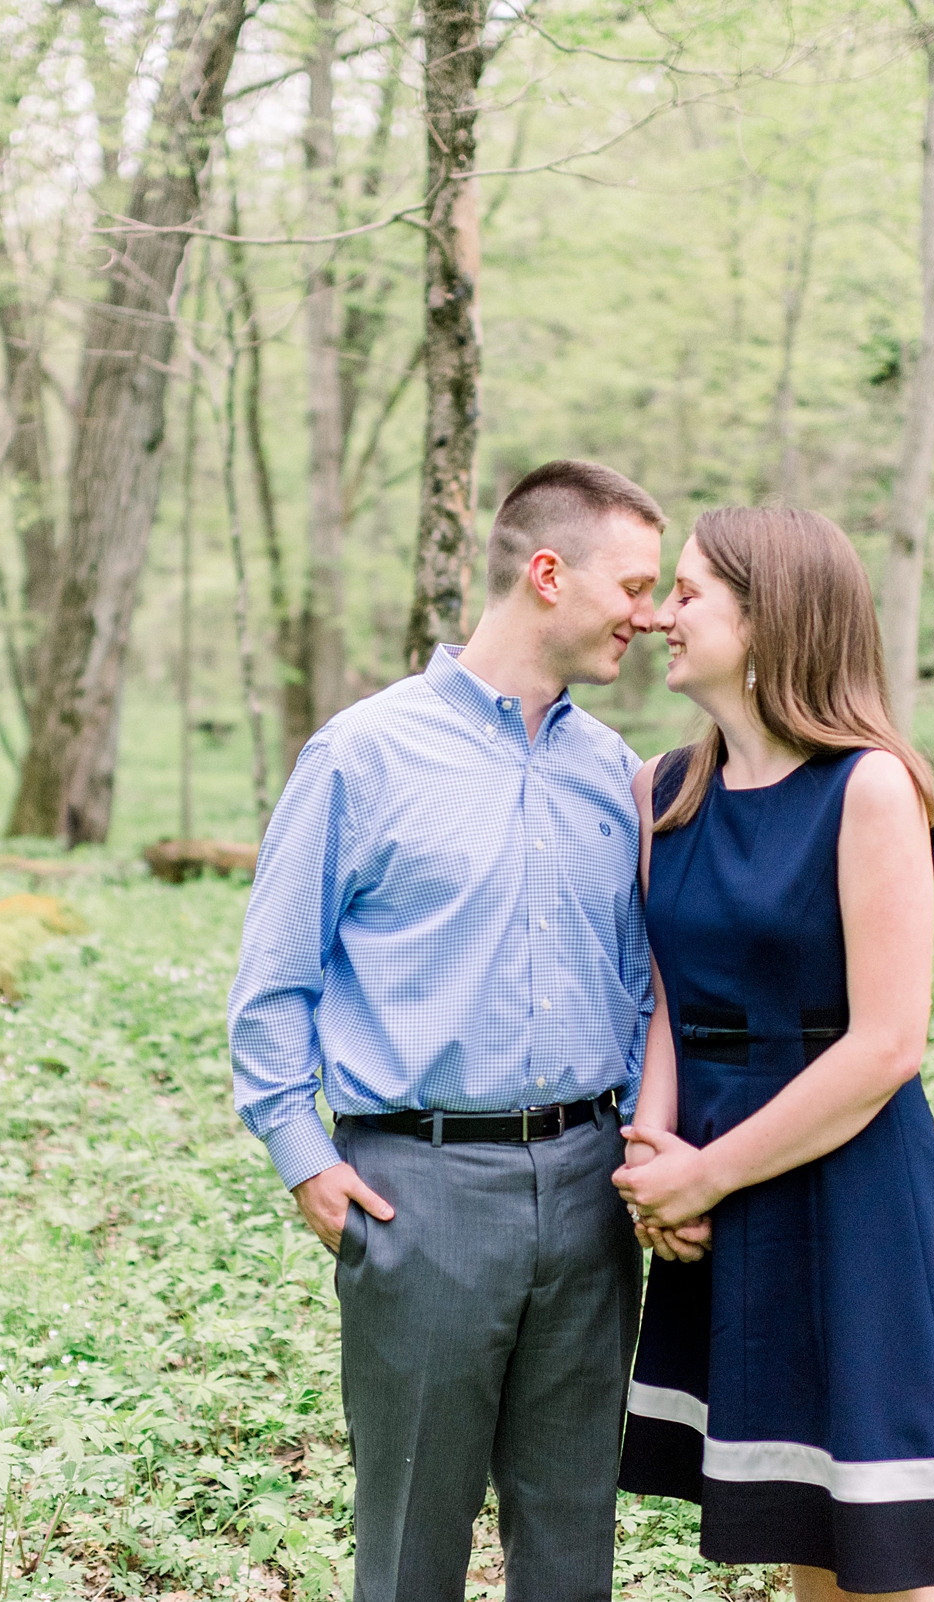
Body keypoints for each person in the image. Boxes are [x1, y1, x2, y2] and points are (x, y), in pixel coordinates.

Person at [228, 459, 695, 1602]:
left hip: (591, 1191)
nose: (651, 613)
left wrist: (641, 1141)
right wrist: (305, 1161)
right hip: (419, 1192)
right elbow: (272, 985)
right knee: (409, 1548)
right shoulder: (363, 754)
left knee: (575, 1539)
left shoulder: (619, 776)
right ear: (548, 574)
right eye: (633, 585)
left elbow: (645, 986)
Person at [612, 506, 934, 1600]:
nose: (659, 616)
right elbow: (662, 991)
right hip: (712, 1185)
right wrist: (655, 1157)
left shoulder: (871, 786)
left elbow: (888, 1044)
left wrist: (704, 1173)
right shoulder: (662, 790)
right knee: (802, 1521)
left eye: (690, 593)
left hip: (847, 1183)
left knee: (880, 1546)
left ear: (771, 614)